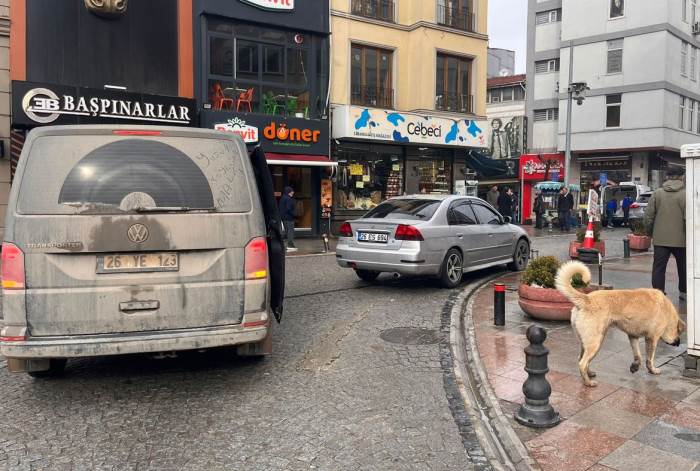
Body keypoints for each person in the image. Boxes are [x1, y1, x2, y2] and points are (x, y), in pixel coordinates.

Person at [644, 166, 686, 299]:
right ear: (681, 177)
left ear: (667, 177)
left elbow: (648, 217)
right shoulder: (686, 194)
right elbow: (688, 218)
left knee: (658, 267)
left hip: (660, 238)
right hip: (682, 239)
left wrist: (650, 232)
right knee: (683, 266)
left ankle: (658, 293)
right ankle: (683, 292)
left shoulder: (657, 193)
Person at [279, 186, 297, 252]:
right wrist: (294, 214)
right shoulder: (288, 199)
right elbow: (289, 209)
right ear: (289, 192)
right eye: (292, 191)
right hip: (289, 218)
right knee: (290, 231)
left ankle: (287, 244)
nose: (293, 192)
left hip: (283, 218)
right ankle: (290, 245)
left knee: (287, 231)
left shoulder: (282, 198)